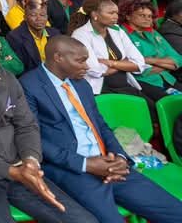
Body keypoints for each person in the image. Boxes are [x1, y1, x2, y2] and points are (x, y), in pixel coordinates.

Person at [21, 36, 182, 223]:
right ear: (58, 58)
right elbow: (32, 139)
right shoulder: (28, 86)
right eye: (80, 61)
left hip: (109, 162)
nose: (87, 66)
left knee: (175, 211)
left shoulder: (81, 84)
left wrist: (119, 157)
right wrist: (85, 164)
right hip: (73, 169)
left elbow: (100, 125)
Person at [0, 35, 95, 223]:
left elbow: (27, 125)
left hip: (19, 164)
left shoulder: (6, 78)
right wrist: (13, 172)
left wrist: (31, 161)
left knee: (81, 220)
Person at [68, 0, 156, 109]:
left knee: (151, 109)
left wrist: (111, 63)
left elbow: (139, 63)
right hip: (100, 90)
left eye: (116, 13)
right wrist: (124, 63)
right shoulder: (81, 34)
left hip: (124, 85)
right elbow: (95, 70)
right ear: (95, 14)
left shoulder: (117, 30)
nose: (115, 17)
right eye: (111, 13)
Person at [118, 0, 182, 97]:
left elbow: (178, 59)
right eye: (142, 15)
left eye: (150, 16)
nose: (148, 19)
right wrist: (165, 65)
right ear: (128, 16)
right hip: (144, 82)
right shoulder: (121, 34)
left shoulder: (153, 32)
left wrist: (151, 60)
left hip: (167, 78)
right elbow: (137, 68)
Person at [7, 0, 60, 74]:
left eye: (42, 15)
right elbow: (21, 69)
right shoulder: (15, 37)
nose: (39, 19)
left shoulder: (55, 33)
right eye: (33, 15)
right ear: (25, 17)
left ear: (47, 16)